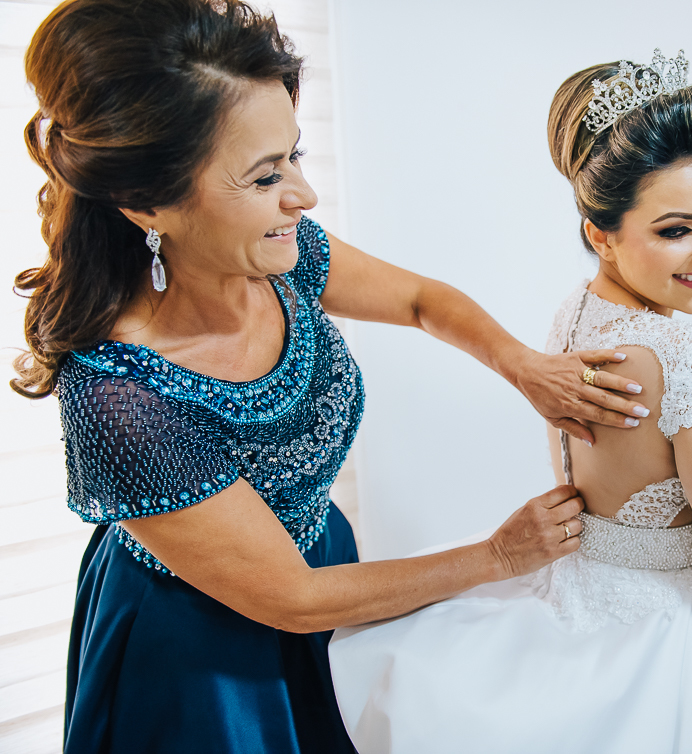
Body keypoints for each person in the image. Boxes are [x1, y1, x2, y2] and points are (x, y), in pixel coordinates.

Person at [12, 2, 653, 752]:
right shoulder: (119, 397)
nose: (302, 196)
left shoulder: (282, 255)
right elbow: (291, 597)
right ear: (148, 203)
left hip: (323, 567)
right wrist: (498, 558)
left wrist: (527, 368)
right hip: (200, 658)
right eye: (262, 177)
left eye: (295, 155)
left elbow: (421, 301)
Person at [328, 51, 692, 753]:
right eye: (676, 229)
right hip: (660, 624)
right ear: (599, 234)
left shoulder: (575, 314)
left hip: (575, 583)